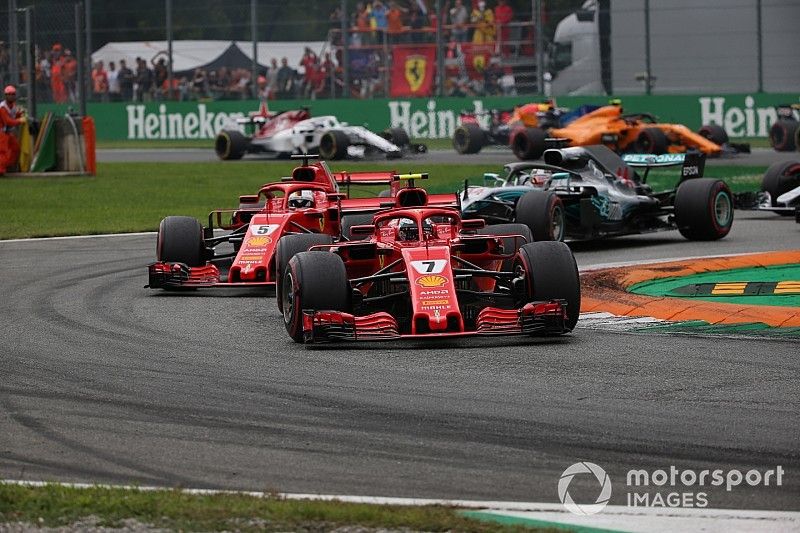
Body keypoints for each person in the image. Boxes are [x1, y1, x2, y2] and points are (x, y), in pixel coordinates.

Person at [0, 85, 26, 174]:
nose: (11, 96)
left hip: (7, 133)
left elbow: (14, 116)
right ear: (5, 96)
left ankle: (6, 166)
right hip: (1, 133)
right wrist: (19, 121)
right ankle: (1, 169)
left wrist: (20, 114)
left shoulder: (14, 106)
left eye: (13, 94)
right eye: (9, 94)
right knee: (3, 152)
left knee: (16, 149)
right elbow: (8, 121)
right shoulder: (2, 107)